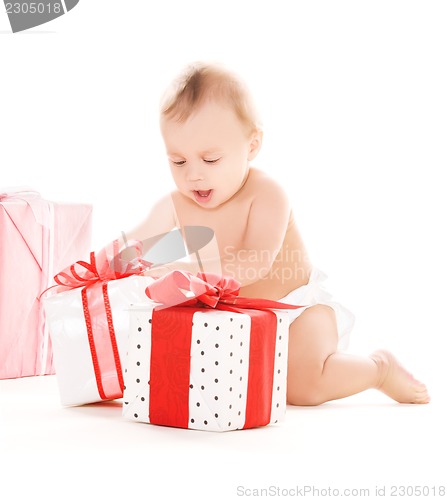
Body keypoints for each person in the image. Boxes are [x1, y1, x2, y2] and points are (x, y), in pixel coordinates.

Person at [124, 61, 430, 406]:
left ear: (252, 146)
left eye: (210, 160)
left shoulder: (266, 194)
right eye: (178, 162)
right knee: (214, 378)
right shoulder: (178, 205)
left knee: (303, 386)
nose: (194, 175)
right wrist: (108, 266)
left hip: (295, 310)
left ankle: (379, 369)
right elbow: (140, 245)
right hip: (240, 320)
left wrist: (182, 272)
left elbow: (253, 263)